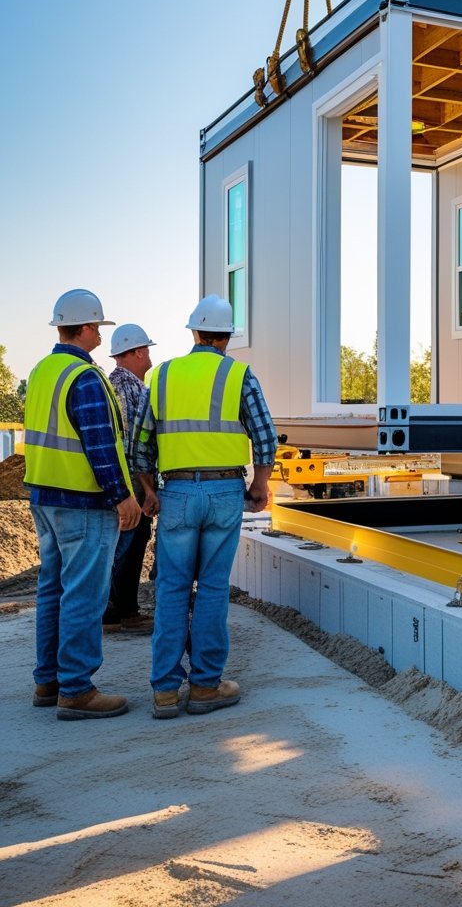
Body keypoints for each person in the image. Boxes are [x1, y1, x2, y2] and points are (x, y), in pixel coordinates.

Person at [134, 294, 277, 719]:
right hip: (223, 492)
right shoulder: (238, 375)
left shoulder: (161, 376)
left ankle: (163, 691)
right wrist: (261, 486)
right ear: (227, 337)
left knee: (172, 588)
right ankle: (205, 687)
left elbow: (139, 445)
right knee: (213, 588)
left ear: (194, 333)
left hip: (175, 492)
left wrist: (148, 490)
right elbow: (265, 436)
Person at [24, 289, 142, 719]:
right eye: (98, 327)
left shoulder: (42, 371)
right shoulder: (85, 377)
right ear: (88, 327)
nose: (99, 336)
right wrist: (123, 497)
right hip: (83, 502)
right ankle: (76, 689)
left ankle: (48, 680)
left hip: (44, 496)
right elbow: (100, 445)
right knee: (84, 595)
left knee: (52, 590)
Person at [103, 323, 157, 634]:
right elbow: (128, 442)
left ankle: (126, 608)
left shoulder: (128, 384)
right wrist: (136, 488)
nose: (149, 357)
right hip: (130, 481)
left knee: (134, 542)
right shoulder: (124, 387)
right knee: (124, 543)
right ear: (135, 352)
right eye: (146, 350)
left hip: (133, 479)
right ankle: (114, 610)